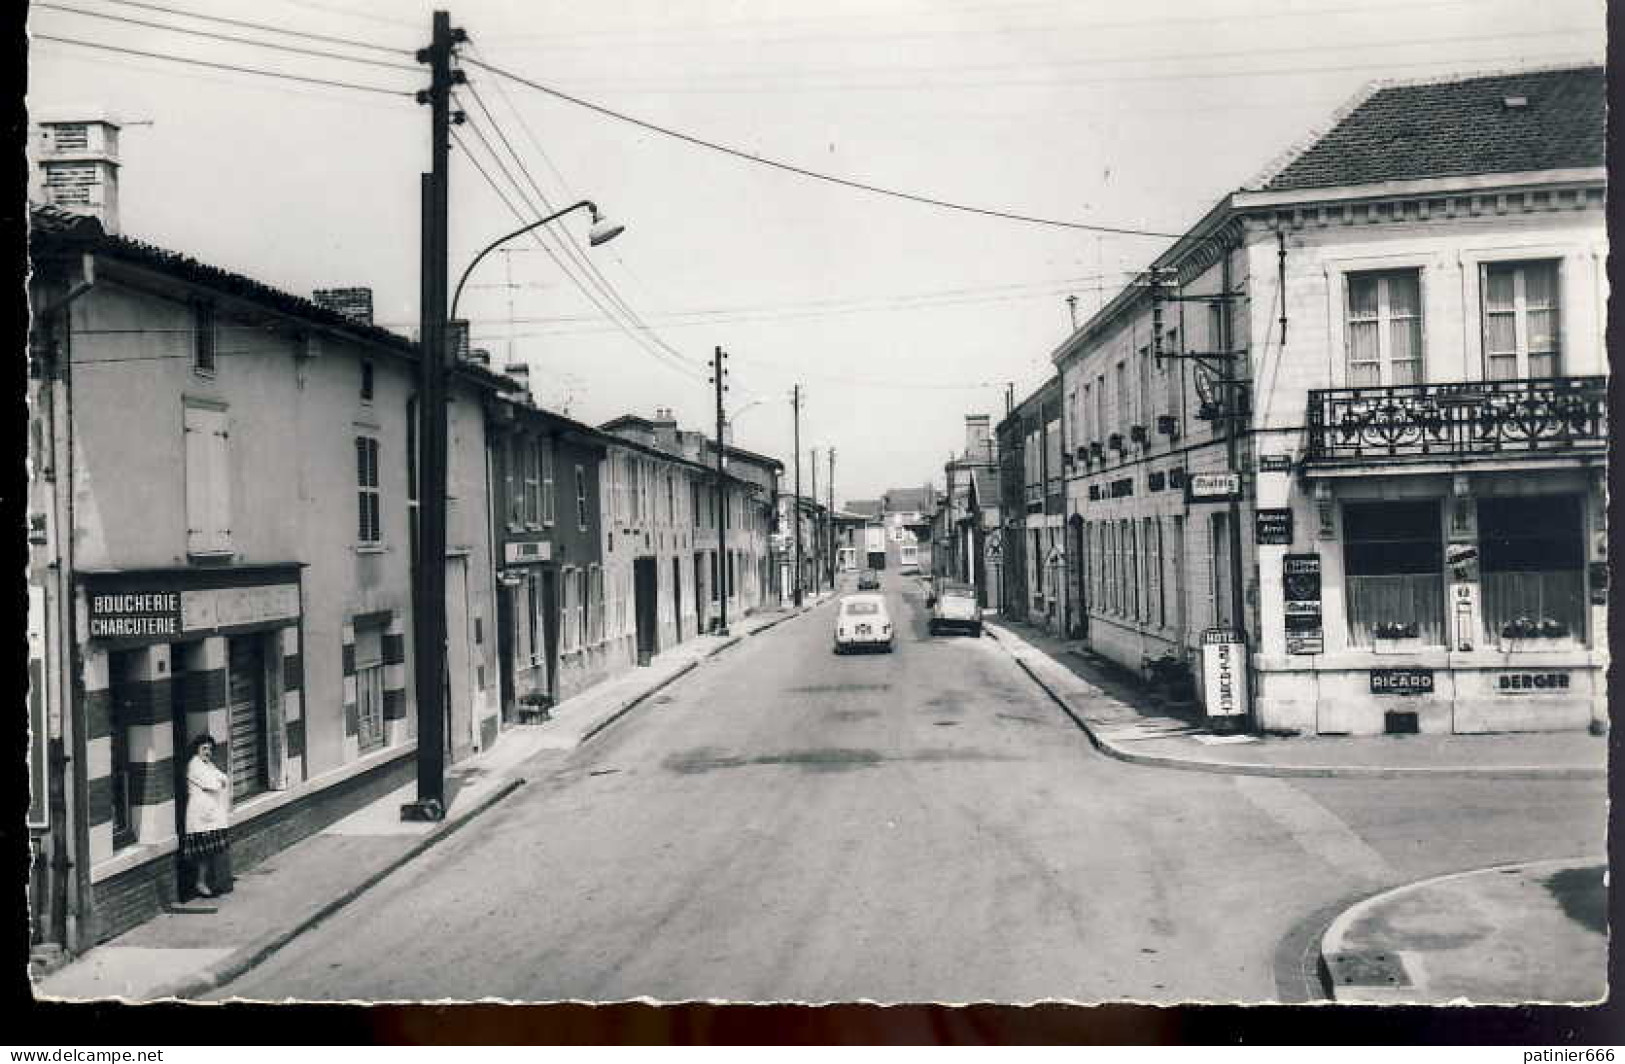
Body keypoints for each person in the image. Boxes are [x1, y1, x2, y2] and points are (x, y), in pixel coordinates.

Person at [181, 733, 233, 899]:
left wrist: (220, 782)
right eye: (204, 748)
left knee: (211, 852)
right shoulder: (194, 765)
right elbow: (212, 785)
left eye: (210, 749)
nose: (207, 752)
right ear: (197, 750)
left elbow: (224, 778)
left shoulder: (208, 765)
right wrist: (219, 783)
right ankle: (200, 883)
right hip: (201, 818)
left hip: (212, 816)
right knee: (203, 854)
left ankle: (210, 882)